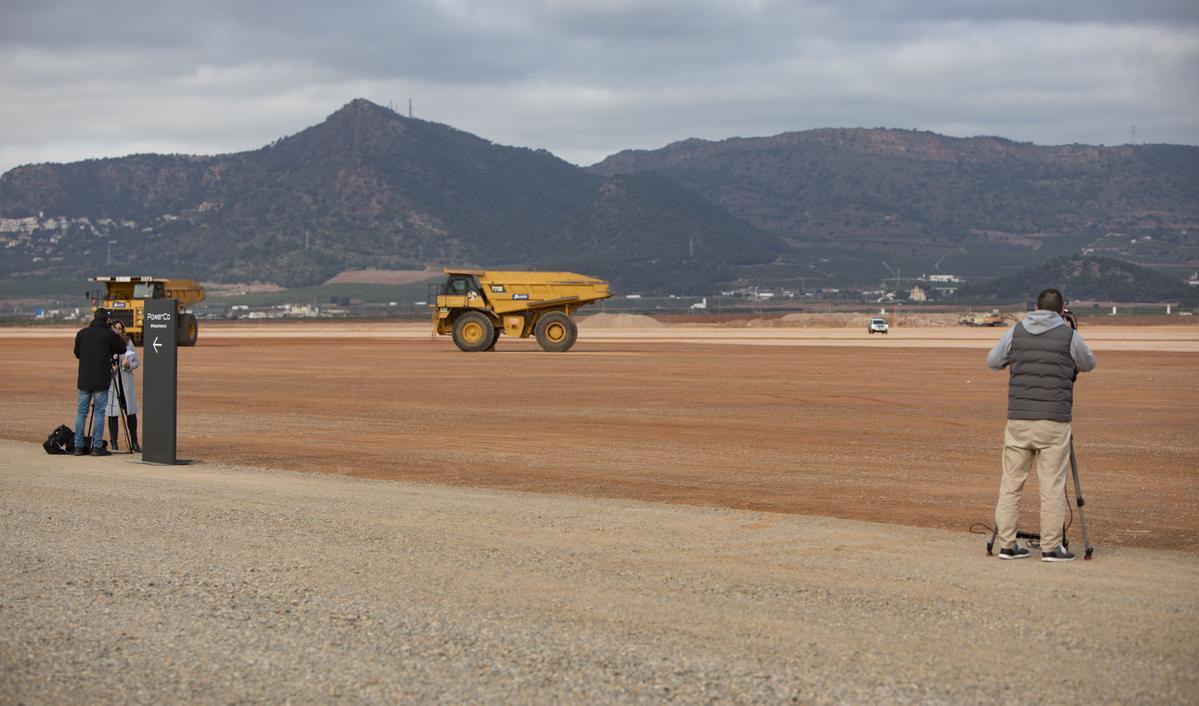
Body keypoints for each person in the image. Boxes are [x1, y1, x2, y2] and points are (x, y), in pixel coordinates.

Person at [986, 288, 1096, 562]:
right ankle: (1051, 547)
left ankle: (1007, 545)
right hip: (1054, 422)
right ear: (1062, 310)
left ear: (1035, 307)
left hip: (1019, 419)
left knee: (1011, 484)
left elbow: (993, 361)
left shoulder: (1016, 331)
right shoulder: (1069, 335)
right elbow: (1088, 363)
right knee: (1052, 486)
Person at [73, 308, 127, 456]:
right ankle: (97, 447)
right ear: (107, 320)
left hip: (84, 378)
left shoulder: (82, 333)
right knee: (99, 412)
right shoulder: (109, 334)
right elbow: (122, 349)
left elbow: (77, 353)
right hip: (102, 378)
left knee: (81, 413)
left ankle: (78, 446)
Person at [105, 320, 141, 453]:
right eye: (116, 328)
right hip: (112, 383)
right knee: (112, 413)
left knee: (131, 413)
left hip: (126, 383)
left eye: (121, 328)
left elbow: (136, 362)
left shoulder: (128, 342)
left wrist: (127, 365)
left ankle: (134, 442)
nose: (118, 331)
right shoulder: (107, 342)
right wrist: (111, 369)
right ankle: (114, 442)